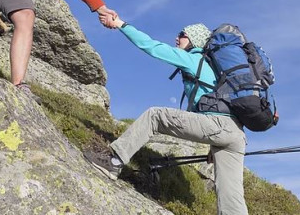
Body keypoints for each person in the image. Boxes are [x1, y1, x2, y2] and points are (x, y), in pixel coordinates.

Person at [84, 15, 248, 215]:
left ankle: (114, 162)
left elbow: (151, 46)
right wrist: (215, 143)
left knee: (155, 116)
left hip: (217, 126)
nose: (176, 39)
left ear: (194, 40)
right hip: (236, 134)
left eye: (182, 35)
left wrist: (120, 24)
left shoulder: (193, 58)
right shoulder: (216, 71)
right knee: (233, 201)